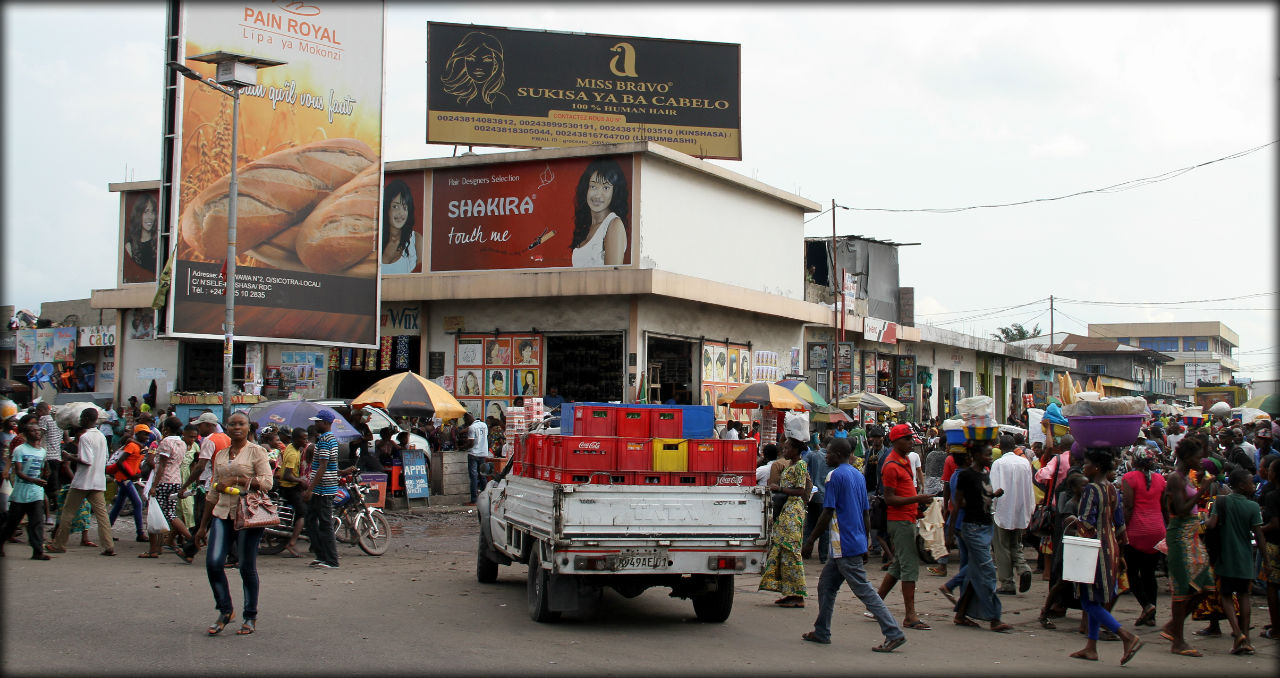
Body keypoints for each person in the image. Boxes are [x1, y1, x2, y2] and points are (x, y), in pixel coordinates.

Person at [800, 438, 907, 652]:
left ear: (838, 454)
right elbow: (865, 512)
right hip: (852, 541)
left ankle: (893, 632)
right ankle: (822, 630)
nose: (826, 456)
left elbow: (828, 512)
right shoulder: (857, 475)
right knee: (826, 586)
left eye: (829, 453)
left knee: (864, 590)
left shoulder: (834, 476)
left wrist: (810, 540)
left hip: (844, 543)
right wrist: (865, 541)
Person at [192, 411, 273, 636]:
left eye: (241, 424)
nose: (236, 428)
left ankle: (250, 616)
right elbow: (212, 493)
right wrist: (202, 526)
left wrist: (237, 479)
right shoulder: (221, 455)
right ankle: (225, 610)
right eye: (232, 424)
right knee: (213, 563)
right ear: (226, 428)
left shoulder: (257, 452)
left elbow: (267, 483)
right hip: (222, 514)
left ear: (248, 428)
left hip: (248, 516)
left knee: (246, 567)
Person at [1065, 447, 1144, 664]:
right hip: (1111, 548)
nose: (1084, 467)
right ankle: (1091, 647)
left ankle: (1126, 636)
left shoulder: (1091, 489)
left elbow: (1088, 523)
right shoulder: (1111, 489)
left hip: (1093, 549)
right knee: (1094, 598)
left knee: (1088, 601)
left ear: (1096, 467)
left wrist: (1072, 521)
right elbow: (1120, 525)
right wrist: (1121, 552)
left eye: (1087, 463)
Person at [875, 423, 934, 629]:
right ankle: (910, 615)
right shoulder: (892, 465)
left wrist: (916, 503)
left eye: (911, 439)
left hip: (907, 518)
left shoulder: (904, 460)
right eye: (907, 439)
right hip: (899, 520)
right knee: (909, 568)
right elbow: (890, 499)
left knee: (899, 565)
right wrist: (916, 499)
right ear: (896, 441)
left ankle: (876, 603)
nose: (911, 442)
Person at [951, 441, 1014, 632]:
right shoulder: (965, 476)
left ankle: (961, 613)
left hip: (986, 526)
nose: (990, 457)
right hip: (972, 528)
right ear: (975, 455)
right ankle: (994, 617)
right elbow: (957, 504)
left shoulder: (985, 473)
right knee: (987, 572)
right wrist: (950, 532)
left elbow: (982, 497)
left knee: (974, 572)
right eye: (987, 454)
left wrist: (994, 495)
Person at [1162, 436, 1216, 656]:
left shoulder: (1186, 477)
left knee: (1206, 585)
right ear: (1186, 457)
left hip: (1191, 535)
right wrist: (1202, 490)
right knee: (1182, 588)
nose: (1201, 461)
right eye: (1197, 457)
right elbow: (1182, 509)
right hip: (1180, 535)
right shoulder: (1175, 478)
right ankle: (1178, 641)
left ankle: (1174, 626)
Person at [1206, 468, 1267, 655]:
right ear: (1241, 485)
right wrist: (1267, 561)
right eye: (1250, 482)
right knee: (1244, 596)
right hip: (1245, 558)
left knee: (1226, 595)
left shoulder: (1221, 502)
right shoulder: (1252, 507)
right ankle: (1245, 638)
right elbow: (1259, 536)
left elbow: (1212, 525)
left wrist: (1205, 519)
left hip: (1226, 557)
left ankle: (1237, 632)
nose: (1253, 485)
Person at [47, 409, 115, 555]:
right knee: (102, 515)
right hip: (97, 481)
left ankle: (59, 544)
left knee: (68, 513)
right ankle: (108, 545)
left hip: (83, 481)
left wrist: (70, 457)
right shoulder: (101, 436)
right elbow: (102, 458)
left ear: (85, 419)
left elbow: (86, 460)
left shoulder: (85, 437)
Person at [759, 437, 810, 607]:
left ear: (796, 450)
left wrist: (779, 488)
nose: (785, 451)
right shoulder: (790, 465)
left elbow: (800, 490)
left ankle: (797, 594)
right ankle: (788, 592)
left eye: (788, 448)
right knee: (782, 549)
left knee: (791, 550)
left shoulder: (801, 465)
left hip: (793, 510)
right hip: (785, 509)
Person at [1120, 445, 1166, 627]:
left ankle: (1146, 605)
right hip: (1157, 530)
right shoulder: (1160, 479)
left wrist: (1122, 529)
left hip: (1137, 530)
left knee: (1131, 572)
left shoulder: (1129, 478)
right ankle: (1151, 614)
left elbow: (1129, 507)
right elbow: (1163, 506)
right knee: (1149, 574)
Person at [302, 409, 349, 570]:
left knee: (324, 523)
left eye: (318, 422)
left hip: (323, 488)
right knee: (312, 520)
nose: (316, 424)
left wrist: (310, 489)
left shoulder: (324, 441)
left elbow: (323, 466)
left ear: (326, 423)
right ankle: (322, 555)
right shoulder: (329, 440)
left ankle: (330, 559)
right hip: (324, 486)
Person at [989, 434, 1035, 595]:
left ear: (1000, 448)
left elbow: (995, 487)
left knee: (1002, 547)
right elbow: (1030, 488)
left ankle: (1007, 582)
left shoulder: (998, 464)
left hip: (1002, 509)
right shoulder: (1024, 463)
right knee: (1016, 542)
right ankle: (1023, 567)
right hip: (1020, 508)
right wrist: (1030, 508)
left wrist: (992, 508)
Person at [0, 420, 50, 559]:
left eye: (38, 430)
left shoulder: (42, 452)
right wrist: (35, 480)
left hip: (36, 493)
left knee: (36, 522)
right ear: (27, 434)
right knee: (12, 522)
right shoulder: (20, 450)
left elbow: (42, 469)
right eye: (33, 431)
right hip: (21, 494)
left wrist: (45, 474)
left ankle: (38, 551)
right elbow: (19, 472)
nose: (37, 433)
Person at [147, 416, 194, 560]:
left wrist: (154, 485)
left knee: (156, 514)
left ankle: (154, 549)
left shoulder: (166, 442)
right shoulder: (182, 443)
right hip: (176, 480)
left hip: (163, 481)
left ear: (166, 429)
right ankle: (191, 539)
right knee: (170, 513)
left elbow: (162, 465)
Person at [570, 157, 629, 267]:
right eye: (593, 186)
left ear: (614, 192)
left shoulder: (613, 224)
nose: (597, 195)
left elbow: (612, 278)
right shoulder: (587, 226)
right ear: (586, 189)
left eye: (606, 188)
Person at [440, 30, 509, 109]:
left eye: (486, 60)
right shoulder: (456, 100)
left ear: (495, 64)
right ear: (465, 63)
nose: (478, 66)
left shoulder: (500, 100)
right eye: (471, 59)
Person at [108, 425, 150, 542]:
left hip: (126, 478)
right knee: (138, 503)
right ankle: (140, 533)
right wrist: (131, 475)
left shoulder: (139, 447)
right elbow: (120, 462)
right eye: (144, 434)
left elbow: (133, 462)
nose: (147, 436)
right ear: (138, 434)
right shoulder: (132, 446)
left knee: (118, 506)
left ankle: (105, 531)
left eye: (147, 434)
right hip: (124, 479)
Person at [277, 427, 311, 559]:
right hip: (289, 487)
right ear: (296, 439)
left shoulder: (295, 449)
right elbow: (286, 475)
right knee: (302, 513)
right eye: (303, 438)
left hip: (293, 486)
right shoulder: (291, 453)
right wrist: (301, 481)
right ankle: (291, 543)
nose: (306, 440)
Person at [1258, 454, 1280, 641]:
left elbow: (1274, 523)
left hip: (1274, 545)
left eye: (1271, 470)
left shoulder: (1273, 496)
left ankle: (1276, 628)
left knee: (1272, 586)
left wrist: (1258, 531)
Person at [801, 438, 831, 564]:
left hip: (813, 495)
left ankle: (805, 552)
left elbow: (801, 465)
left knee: (810, 525)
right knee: (824, 528)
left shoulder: (813, 454)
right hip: (826, 497)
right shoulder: (833, 458)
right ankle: (823, 556)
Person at [381, 179, 418, 273]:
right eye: (395, 207)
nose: (401, 213)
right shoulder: (375, 242)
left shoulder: (415, 241)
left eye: (405, 208)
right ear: (386, 209)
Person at [35, 402, 62, 526]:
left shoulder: (44, 419)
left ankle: (52, 510)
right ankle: (56, 507)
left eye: (37, 411)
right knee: (54, 483)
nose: (36, 414)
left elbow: (38, 436)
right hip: (57, 456)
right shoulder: (58, 419)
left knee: (45, 485)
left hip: (47, 456)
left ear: (41, 410)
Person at [124, 192, 158, 274]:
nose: (150, 217)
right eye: (146, 212)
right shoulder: (129, 247)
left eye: (152, 212)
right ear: (138, 214)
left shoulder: (160, 243)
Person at [463, 412, 490, 504]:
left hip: (473, 454)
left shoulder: (472, 428)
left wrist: (464, 447)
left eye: (465, 420)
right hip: (483, 453)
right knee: (483, 475)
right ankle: (486, 498)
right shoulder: (484, 425)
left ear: (468, 418)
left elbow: (471, 443)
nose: (465, 422)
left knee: (474, 477)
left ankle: (474, 500)